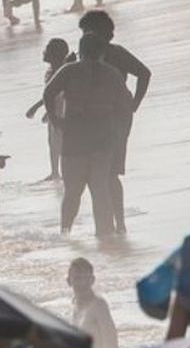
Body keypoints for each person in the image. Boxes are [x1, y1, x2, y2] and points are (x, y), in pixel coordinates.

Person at [44, 33, 132, 236]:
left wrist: (55, 120)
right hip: (103, 139)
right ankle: (105, 235)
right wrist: (119, 132)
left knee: (72, 193)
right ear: (101, 53)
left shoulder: (69, 70)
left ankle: (65, 234)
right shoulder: (112, 74)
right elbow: (125, 105)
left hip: (74, 138)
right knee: (100, 190)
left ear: (81, 51)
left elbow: (48, 93)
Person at [69, 257, 117, 348]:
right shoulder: (74, 305)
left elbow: (111, 344)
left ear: (92, 280)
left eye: (85, 278)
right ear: (69, 281)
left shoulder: (98, 305)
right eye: (77, 278)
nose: (81, 283)